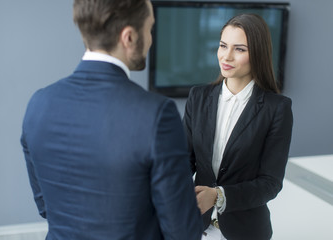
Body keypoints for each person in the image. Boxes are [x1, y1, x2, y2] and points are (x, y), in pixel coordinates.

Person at [20, 0, 203, 239]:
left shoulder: (38, 103)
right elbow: (182, 232)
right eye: (149, 29)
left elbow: (46, 206)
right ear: (128, 37)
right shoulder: (157, 114)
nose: (150, 39)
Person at [183, 13, 293, 240]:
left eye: (240, 49)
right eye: (223, 45)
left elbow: (270, 183)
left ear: (258, 54)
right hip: (197, 227)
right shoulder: (198, 97)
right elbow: (184, 160)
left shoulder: (277, 108)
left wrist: (218, 196)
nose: (226, 56)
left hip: (246, 231)